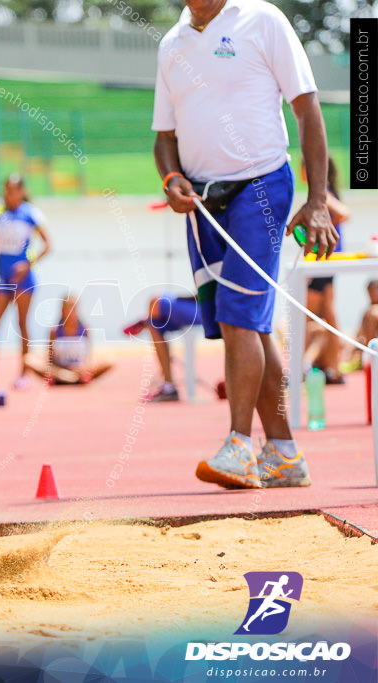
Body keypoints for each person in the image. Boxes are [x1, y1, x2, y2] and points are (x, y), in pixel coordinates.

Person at [152, 0, 338, 489]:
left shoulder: (263, 20)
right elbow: (163, 136)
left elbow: (307, 109)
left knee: (239, 314)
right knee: (246, 326)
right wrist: (171, 177)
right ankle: (283, 452)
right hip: (203, 203)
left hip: (262, 187)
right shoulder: (172, 44)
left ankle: (238, 446)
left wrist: (318, 200)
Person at [0, 174, 51, 391]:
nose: (9, 194)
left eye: (13, 190)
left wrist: (27, 263)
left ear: (22, 192)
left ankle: (23, 375)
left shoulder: (31, 214)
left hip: (24, 279)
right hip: (3, 279)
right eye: (6, 190)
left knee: (22, 326)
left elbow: (48, 244)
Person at [303, 157, 351, 384]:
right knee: (328, 316)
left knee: (307, 316)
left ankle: (305, 365)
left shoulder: (321, 194)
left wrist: (324, 233)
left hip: (323, 260)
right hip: (326, 260)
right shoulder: (322, 194)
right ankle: (332, 366)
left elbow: (343, 212)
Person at [123, 294, 202, 401]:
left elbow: (206, 294)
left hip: (206, 308)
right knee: (154, 325)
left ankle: (144, 321)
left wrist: (179, 298)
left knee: (156, 301)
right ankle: (168, 387)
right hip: (199, 306)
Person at [25, 295, 112, 385]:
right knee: (29, 360)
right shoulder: (54, 331)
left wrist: (83, 367)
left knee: (109, 360)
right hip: (60, 369)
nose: (70, 313)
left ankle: (68, 378)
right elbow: (50, 358)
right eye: (68, 309)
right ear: (62, 310)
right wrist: (54, 369)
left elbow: (88, 355)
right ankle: (69, 378)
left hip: (79, 369)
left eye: (73, 309)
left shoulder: (84, 329)